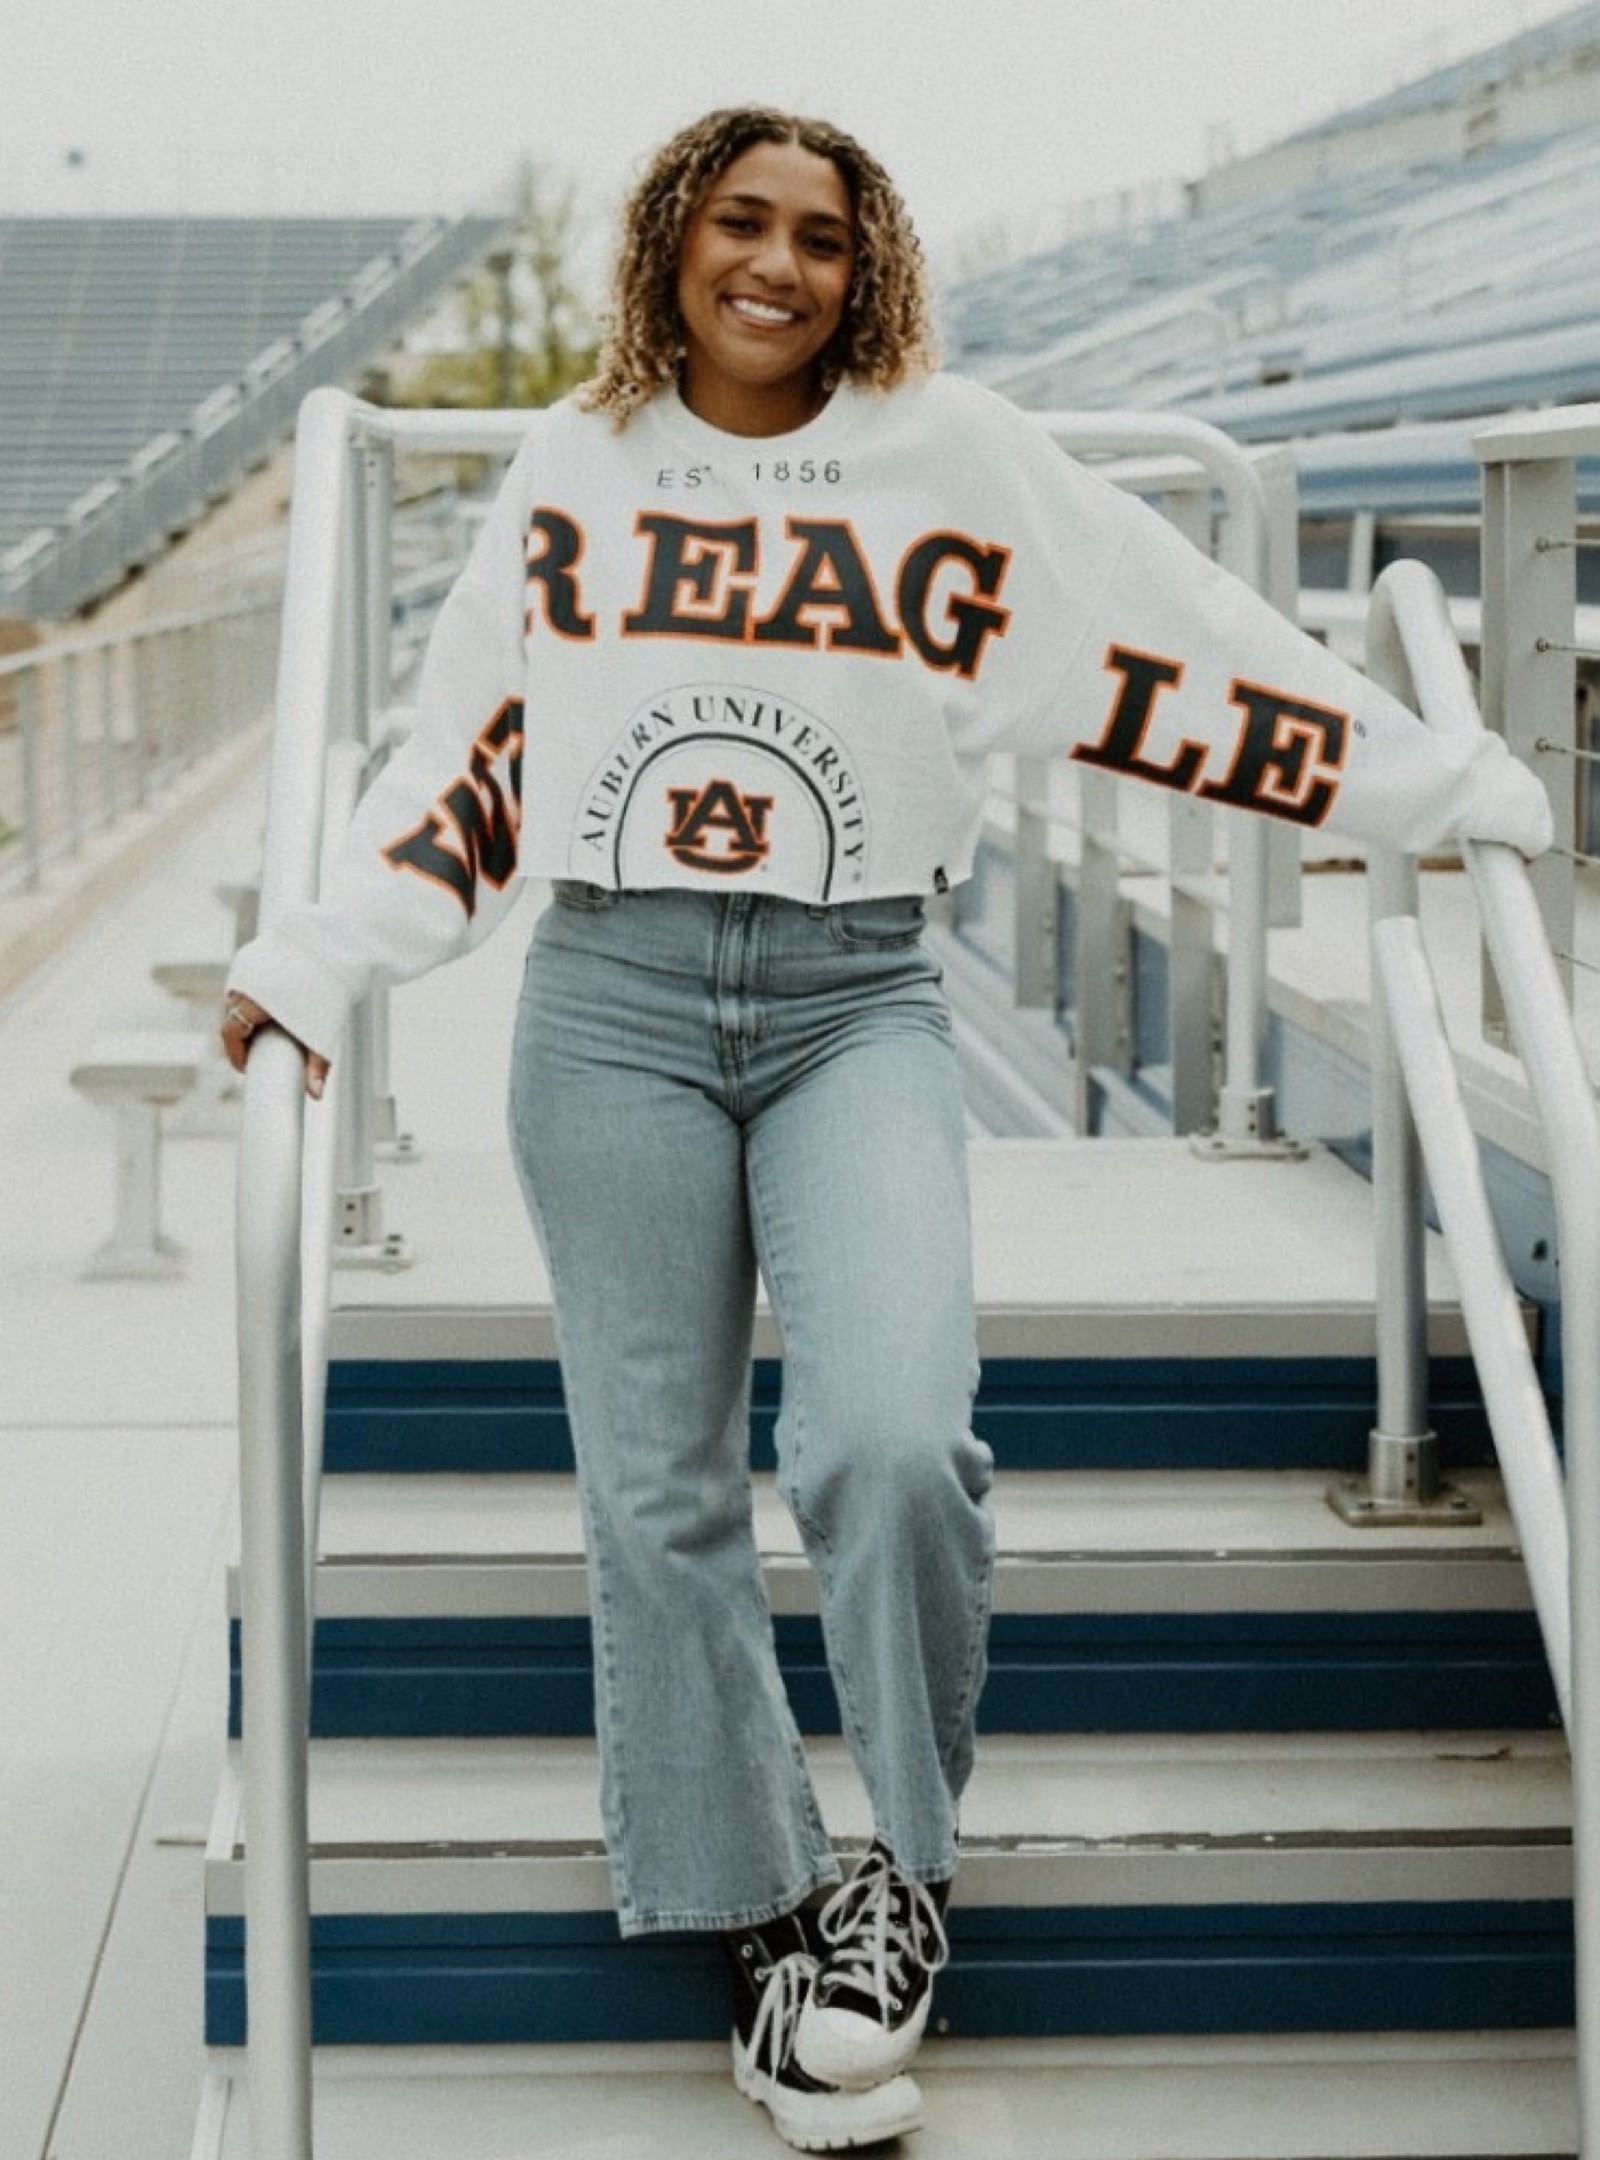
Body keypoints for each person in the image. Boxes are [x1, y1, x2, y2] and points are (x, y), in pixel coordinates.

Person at [222, 106, 1551, 2152]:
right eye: (738, 221)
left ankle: (899, 1881)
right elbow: (469, 755)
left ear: (869, 268)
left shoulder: (952, 455)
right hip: (612, 1000)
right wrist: (321, 957)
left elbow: (1170, 635)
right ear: (671, 240)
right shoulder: (577, 474)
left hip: (857, 990)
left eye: (820, 236)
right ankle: (761, 1929)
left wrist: (1417, 787)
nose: (775, 263)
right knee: (653, 1493)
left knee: (889, 1435)